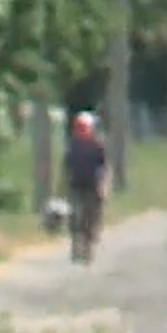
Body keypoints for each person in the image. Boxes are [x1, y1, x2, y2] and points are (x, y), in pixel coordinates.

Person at [60, 111, 108, 264]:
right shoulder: (73, 146)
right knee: (75, 218)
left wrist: (102, 185)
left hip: (90, 186)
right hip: (77, 186)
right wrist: (63, 185)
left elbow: (103, 168)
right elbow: (67, 168)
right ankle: (77, 248)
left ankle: (86, 248)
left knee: (89, 217)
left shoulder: (96, 146)